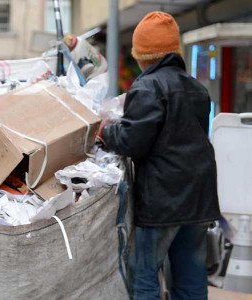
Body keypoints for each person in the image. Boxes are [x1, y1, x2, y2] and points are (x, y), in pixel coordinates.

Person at [98, 11, 221, 300]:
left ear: (142, 55)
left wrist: (105, 132)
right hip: (199, 198)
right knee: (190, 278)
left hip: (164, 201)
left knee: (145, 275)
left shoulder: (147, 86)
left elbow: (132, 141)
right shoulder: (197, 88)